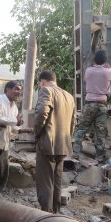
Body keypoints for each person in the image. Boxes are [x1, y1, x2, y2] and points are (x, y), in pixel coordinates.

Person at [34, 70, 76, 214]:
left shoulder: (46, 91)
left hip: (47, 144)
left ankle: (45, 214)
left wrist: (37, 133)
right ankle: (55, 212)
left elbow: (41, 114)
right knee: (57, 180)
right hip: (63, 144)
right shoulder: (69, 96)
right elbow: (73, 122)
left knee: (45, 181)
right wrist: (67, 138)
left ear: (43, 81)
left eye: (40, 83)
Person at [73, 50, 111, 162]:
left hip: (89, 104)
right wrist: (109, 67)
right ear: (104, 60)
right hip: (102, 105)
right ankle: (99, 156)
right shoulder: (108, 71)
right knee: (100, 132)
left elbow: (85, 80)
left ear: (94, 60)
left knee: (81, 128)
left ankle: (76, 153)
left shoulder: (88, 71)